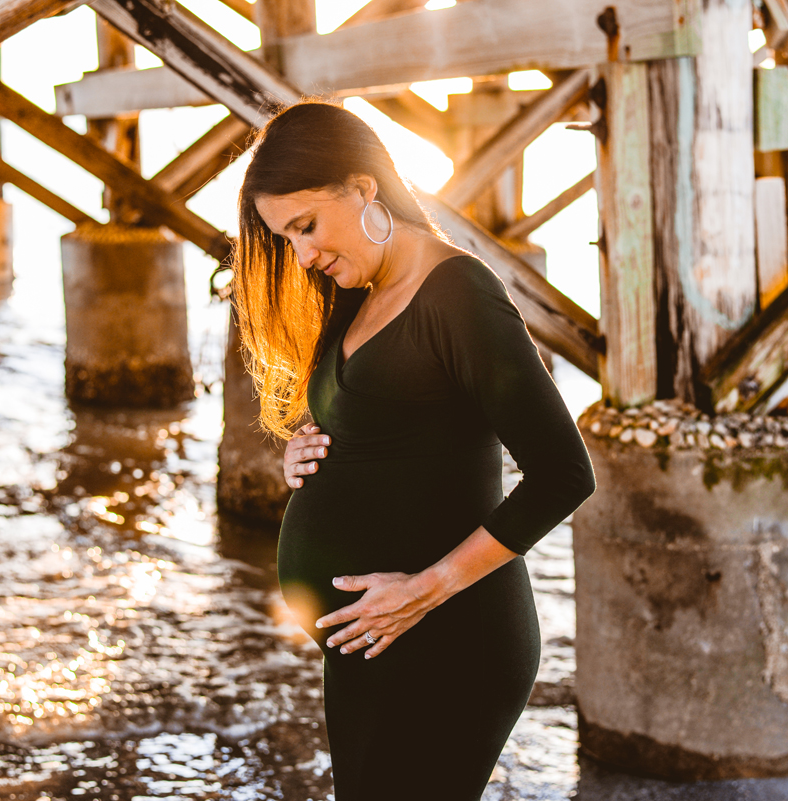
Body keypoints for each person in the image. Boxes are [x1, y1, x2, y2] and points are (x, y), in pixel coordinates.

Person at [232, 100, 596, 800]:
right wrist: (306, 456)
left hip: (448, 640)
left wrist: (420, 592)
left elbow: (563, 473)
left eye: (306, 226)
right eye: (286, 238)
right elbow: (381, 427)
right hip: (373, 639)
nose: (302, 253)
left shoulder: (457, 294)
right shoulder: (357, 290)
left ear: (364, 186)